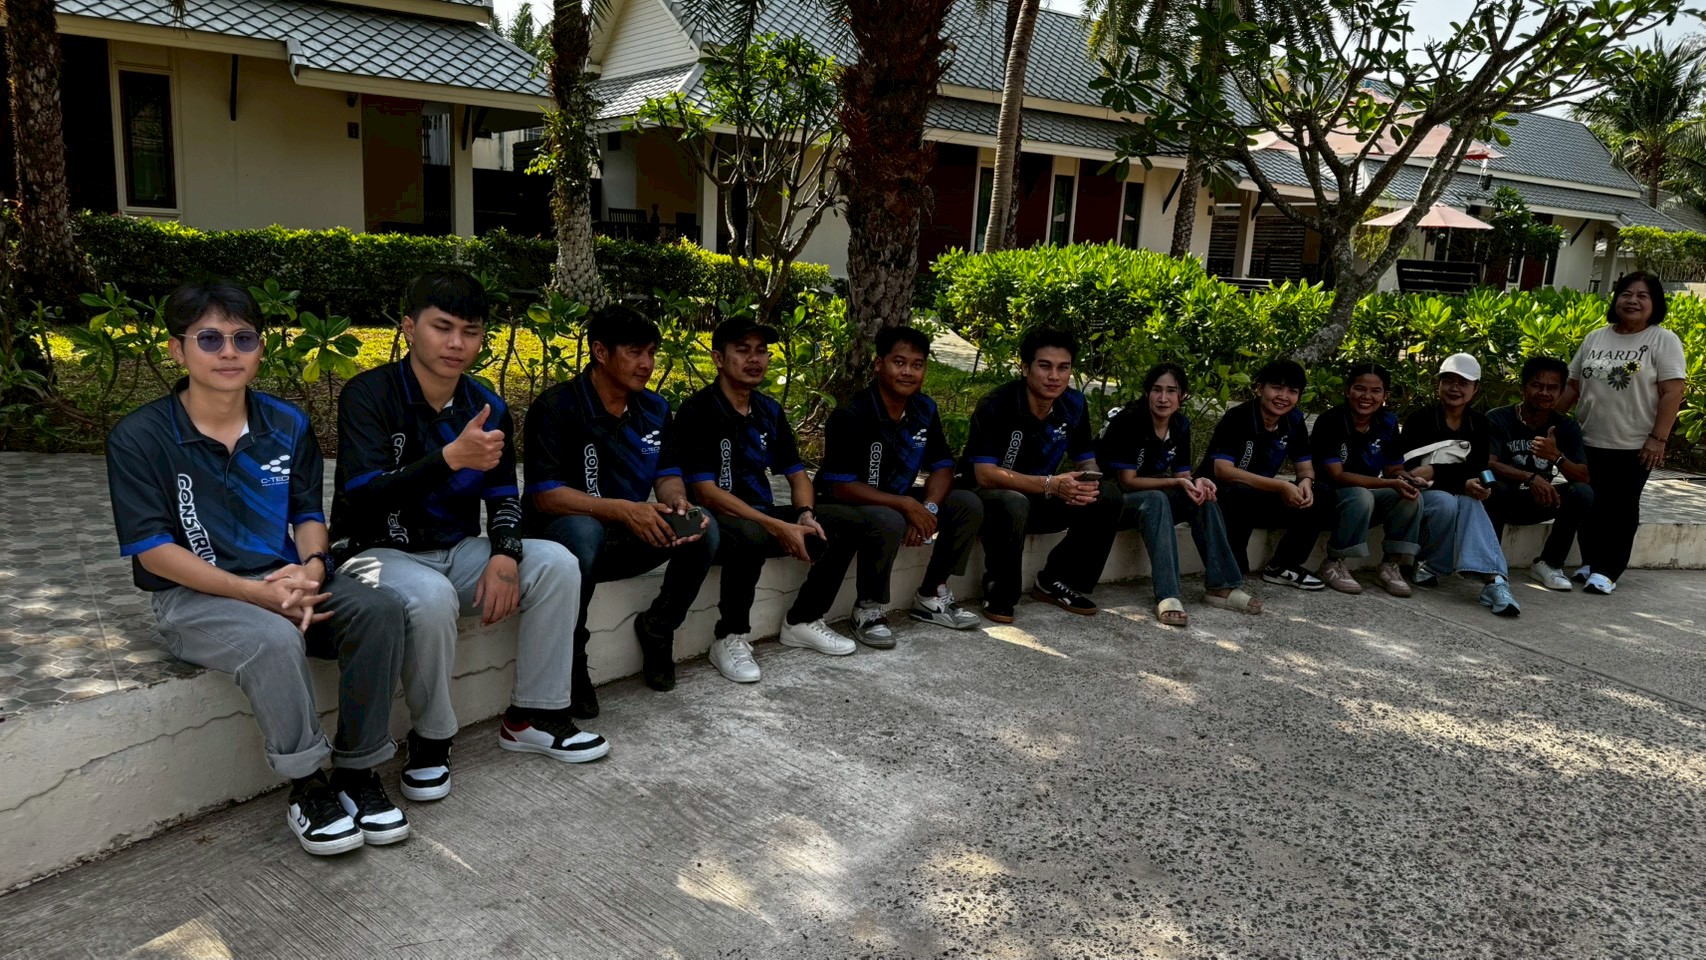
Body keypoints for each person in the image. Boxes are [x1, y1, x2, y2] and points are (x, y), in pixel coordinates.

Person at [108, 281, 409, 856]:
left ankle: (358, 771)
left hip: (284, 580)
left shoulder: (286, 423)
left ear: (261, 348)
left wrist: (312, 570)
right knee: (273, 638)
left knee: (379, 609)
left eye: (243, 338)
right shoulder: (140, 437)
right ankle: (309, 785)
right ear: (177, 350)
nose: (229, 352)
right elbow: (154, 551)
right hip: (192, 597)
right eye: (210, 339)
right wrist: (255, 595)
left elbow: (307, 514)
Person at [334, 271, 605, 807]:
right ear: (409, 328)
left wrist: (505, 554)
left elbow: (504, 496)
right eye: (442, 327)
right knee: (431, 596)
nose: (456, 343)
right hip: (373, 553)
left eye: (471, 331)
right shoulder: (368, 394)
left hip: (457, 549)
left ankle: (533, 716)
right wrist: (449, 459)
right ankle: (432, 739)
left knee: (555, 562)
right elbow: (362, 497)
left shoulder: (486, 405)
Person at [523, 304, 713, 714]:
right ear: (600, 352)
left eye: (651, 353)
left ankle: (658, 628)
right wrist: (625, 510)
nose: (646, 364)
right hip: (561, 542)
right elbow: (545, 496)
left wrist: (677, 501)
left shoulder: (655, 409)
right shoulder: (556, 407)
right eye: (634, 352)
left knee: (702, 526)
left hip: (624, 537)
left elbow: (667, 474)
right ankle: (572, 659)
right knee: (585, 531)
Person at [674, 317, 841, 683]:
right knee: (751, 535)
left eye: (761, 351)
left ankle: (803, 619)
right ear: (719, 358)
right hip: (713, 519)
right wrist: (776, 526)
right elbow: (705, 492)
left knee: (840, 521)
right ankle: (729, 636)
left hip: (760, 512)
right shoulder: (698, 411)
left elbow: (797, 475)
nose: (754, 359)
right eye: (743, 350)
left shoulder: (768, 410)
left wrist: (804, 514)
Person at [814, 325, 985, 638]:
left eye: (917, 365)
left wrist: (928, 509)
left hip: (894, 499)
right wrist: (905, 505)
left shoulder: (924, 409)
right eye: (899, 362)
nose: (908, 372)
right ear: (879, 365)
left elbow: (943, 467)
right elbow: (840, 486)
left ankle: (931, 595)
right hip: (843, 504)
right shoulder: (851, 414)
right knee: (889, 517)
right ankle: (867, 608)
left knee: (966, 503)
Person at [962, 328, 1122, 623]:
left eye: (1063, 368)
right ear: (1025, 368)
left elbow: (1086, 459)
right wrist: (1050, 484)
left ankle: (1055, 580)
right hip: (990, 502)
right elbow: (984, 475)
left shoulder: (1073, 404)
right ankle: (1000, 591)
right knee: (1013, 501)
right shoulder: (996, 405)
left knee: (1107, 495)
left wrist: (1088, 482)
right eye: (1045, 366)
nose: (1054, 376)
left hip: (1040, 496)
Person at [1100, 362, 1260, 626]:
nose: (1163, 398)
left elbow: (1182, 476)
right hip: (1116, 502)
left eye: (1171, 391)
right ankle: (1168, 594)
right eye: (1157, 390)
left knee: (1201, 496)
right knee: (1157, 498)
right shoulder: (1130, 421)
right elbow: (1127, 482)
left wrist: (1197, 482)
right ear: (1147, 393)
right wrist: (1175, 483)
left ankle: (1222, 586)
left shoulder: (1180, 424)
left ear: (1182, 395)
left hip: (1153, 499)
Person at [1560, 271, 1687, 594]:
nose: (1632, 301)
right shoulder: (1595, 337)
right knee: (1591, 503)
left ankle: (1608, 570)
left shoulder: (1663, 340)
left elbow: (1673, 392)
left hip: (1635, 444)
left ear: (1655, 303)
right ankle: (1590, 562)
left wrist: (1657, 439)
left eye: (1642, 296)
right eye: (1626, 293)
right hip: (1588, 438)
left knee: (1621, 507)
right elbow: (1573, 385)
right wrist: (1550, 422)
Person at [1393, 353, 1520, 617]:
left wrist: (1441, 472)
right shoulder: (1420, 419)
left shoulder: (1480, 424)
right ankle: (1430, 563)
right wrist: (1455, 478)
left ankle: (1495, 581)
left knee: (1472, 500)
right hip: (1420, 492)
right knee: (1446, 502)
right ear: (1438, 384)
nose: (1455, 388)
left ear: (1475, 389)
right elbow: (1413, 471)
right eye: (1448, 381)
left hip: (1460, 491)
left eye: (1463, 383)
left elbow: (1477, 468)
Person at [1203, 359, 1333, 590]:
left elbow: (1305, 467)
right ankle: (1232, 568)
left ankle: (1283, 566)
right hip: (1218, 496)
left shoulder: (1294, 420)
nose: (1283, 396)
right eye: (1277, 388)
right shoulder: (1238, 417)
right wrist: (1280, 486)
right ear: (1259, 388)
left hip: (1258, 496)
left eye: (1292, 391)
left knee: (1320, 493)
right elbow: (1223, 471)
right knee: (1240, 493)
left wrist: (1305, 482)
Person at [1309, 362, 1420, 597]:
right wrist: (1390, 482)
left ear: (1385, 395)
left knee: (1409, 496)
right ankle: (1334, 563)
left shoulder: (1388, 422)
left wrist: (1407, 479)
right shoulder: (1331, 421)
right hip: (1330, 495)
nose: (1367, 396)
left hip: (1368, 493)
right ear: (1347, 390)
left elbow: (1394, 468)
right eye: (1360, 388)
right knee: (1361, 496)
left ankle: (1390, 565)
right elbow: (1337, 475)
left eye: (1375, 391)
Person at [1487, 356, 1594, 591]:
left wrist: (1556, 456)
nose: (1544, 392)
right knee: (1495, 487)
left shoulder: (1565, 426)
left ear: (1561, 392)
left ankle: (1549, 564)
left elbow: (1583, 476)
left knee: (1582, 492)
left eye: (1552, 388)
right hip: (1500, 501)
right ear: (1524, 388)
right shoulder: (1498, 418)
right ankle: (1491, 564)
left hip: (1540, 500)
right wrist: (1530, 477)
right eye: (1537, 385)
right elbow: (1489, 463)